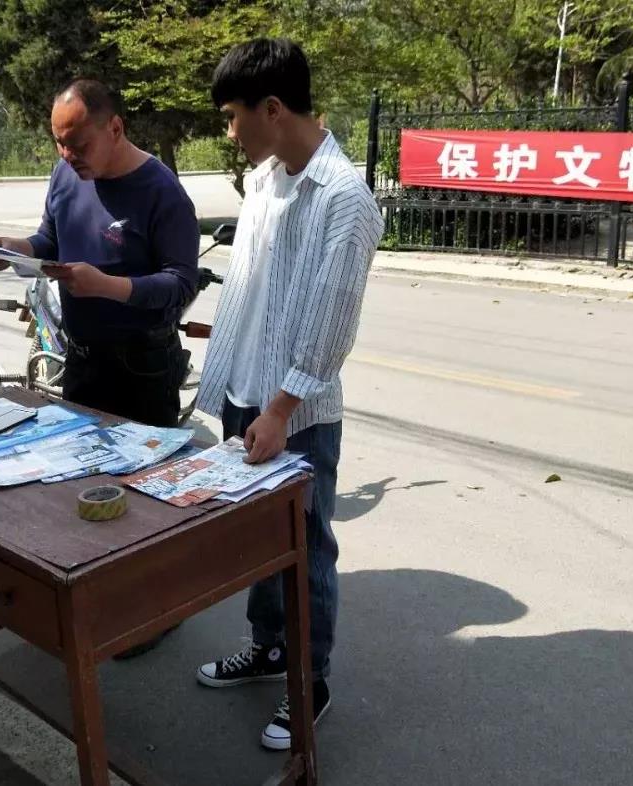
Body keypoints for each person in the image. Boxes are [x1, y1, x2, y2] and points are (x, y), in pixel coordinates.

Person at [194, 39, 384, 751]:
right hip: (248, 393)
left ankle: (310, 679)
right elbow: (251, 289)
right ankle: (269, 646)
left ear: (272, 109)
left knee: (305, 546)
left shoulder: (344, 199)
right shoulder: (266, 181)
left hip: (295, 413)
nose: (229, 131)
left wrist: (279, 409)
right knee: (257, 542)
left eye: (232, 116)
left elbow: (332, 323)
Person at [0, 78, 200, 430]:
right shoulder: (66, 174)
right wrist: (14, 250)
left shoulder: (162, 191)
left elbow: (181, 284)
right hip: (81, 360)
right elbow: (50, 239)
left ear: (115, 128)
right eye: (59, 143)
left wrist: (104, 286)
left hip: (142, 368)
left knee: (140, 466)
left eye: (79, 145)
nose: (67, 156)